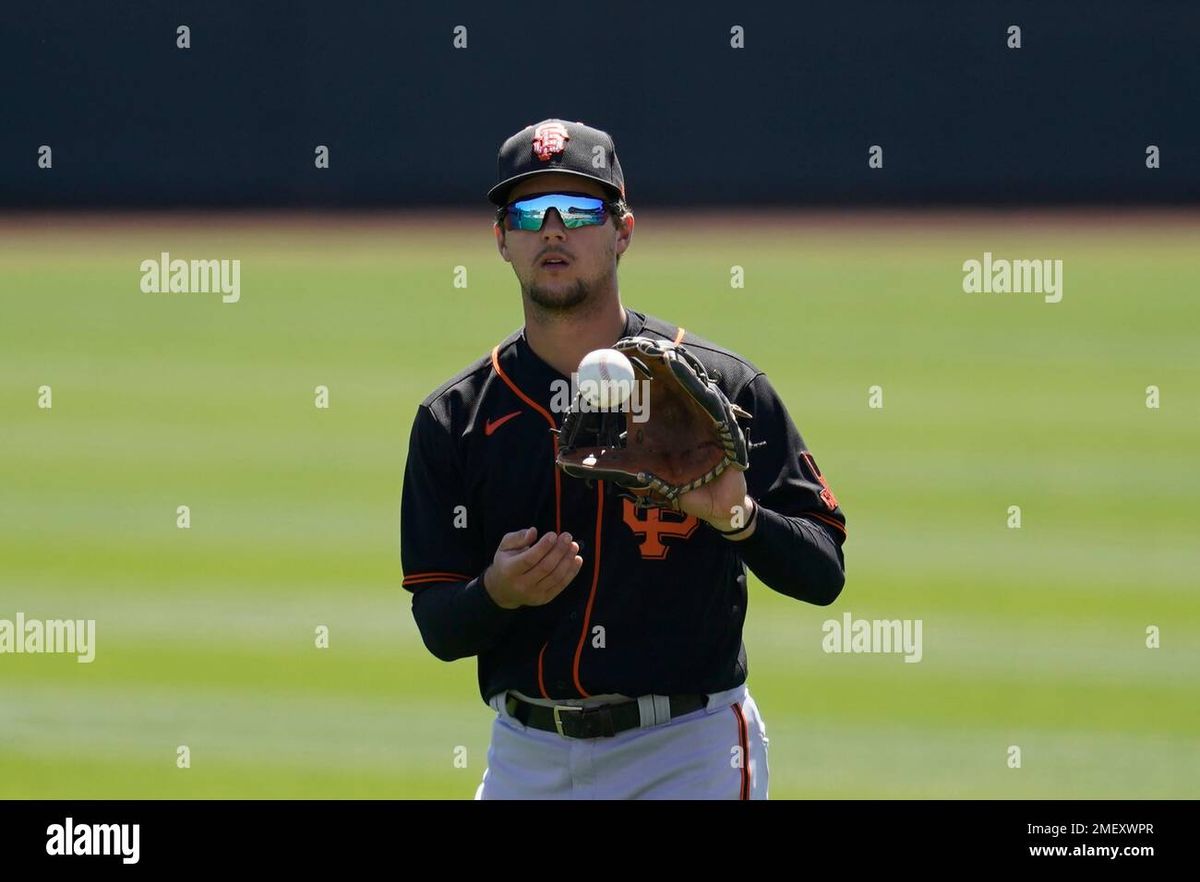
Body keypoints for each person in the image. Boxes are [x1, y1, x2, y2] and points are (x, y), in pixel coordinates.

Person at [400, 119, 847, 799]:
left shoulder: (720, 388)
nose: (554, 230)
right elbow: (438, 625)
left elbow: (824, 571)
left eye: (579, 210)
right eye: (529, 212)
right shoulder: (455, 418)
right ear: (501, 240)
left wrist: (739, 518)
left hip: (686, 753)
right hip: (525, 758)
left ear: (623, 231)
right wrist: (497, 593)